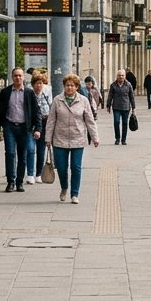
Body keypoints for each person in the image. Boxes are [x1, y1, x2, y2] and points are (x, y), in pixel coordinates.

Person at [44, 72, 100, 203]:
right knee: (62, 168)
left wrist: (95, 137)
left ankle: (74, 194)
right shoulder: (58, 100)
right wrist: (48, 139)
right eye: (67, 85)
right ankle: (64, 187)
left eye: (72, 85)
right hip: (60, 139)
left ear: (76, 87)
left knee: (76, 167)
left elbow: (90, 120)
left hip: (78, 138)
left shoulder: (83, 100)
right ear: (64, 86)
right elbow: (51, 120)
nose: (69, 88)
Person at [0, 67, 40, 193]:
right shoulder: (5, 92)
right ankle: (10, 182)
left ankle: (19, 182)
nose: (18, 78)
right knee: (10, 153)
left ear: (23, 77)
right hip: (9, 126)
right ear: (12, 77)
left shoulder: (29, 93)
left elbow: (36, 112)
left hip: (25, 127)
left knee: (22, 155)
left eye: (20, 75)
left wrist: (37, 129)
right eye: (15, 76)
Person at [28, 72, 52, 184]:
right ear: (32, 85)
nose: (39, 85)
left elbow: (50, 109)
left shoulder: (45, 95)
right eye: (37, 83)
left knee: (41, 150)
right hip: (32, 124)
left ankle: (38, 174)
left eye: (41, 83)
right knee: (31, 149)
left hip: (44, 122)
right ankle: (30, 174)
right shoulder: (29, 95)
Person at [105, 68, 137, 145]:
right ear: (117, 76)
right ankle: (117, 138)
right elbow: (110, 96)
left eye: (122, 75)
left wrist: (133, 107)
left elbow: (131, 96)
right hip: (116, 107)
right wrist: (108, 105)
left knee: (125, 123)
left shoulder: (128, 85)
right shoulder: (113, 85)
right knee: (116, 122)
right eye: (119, 75)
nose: (121, 77)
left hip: (126, 107)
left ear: (125, 76)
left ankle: (123, 139)